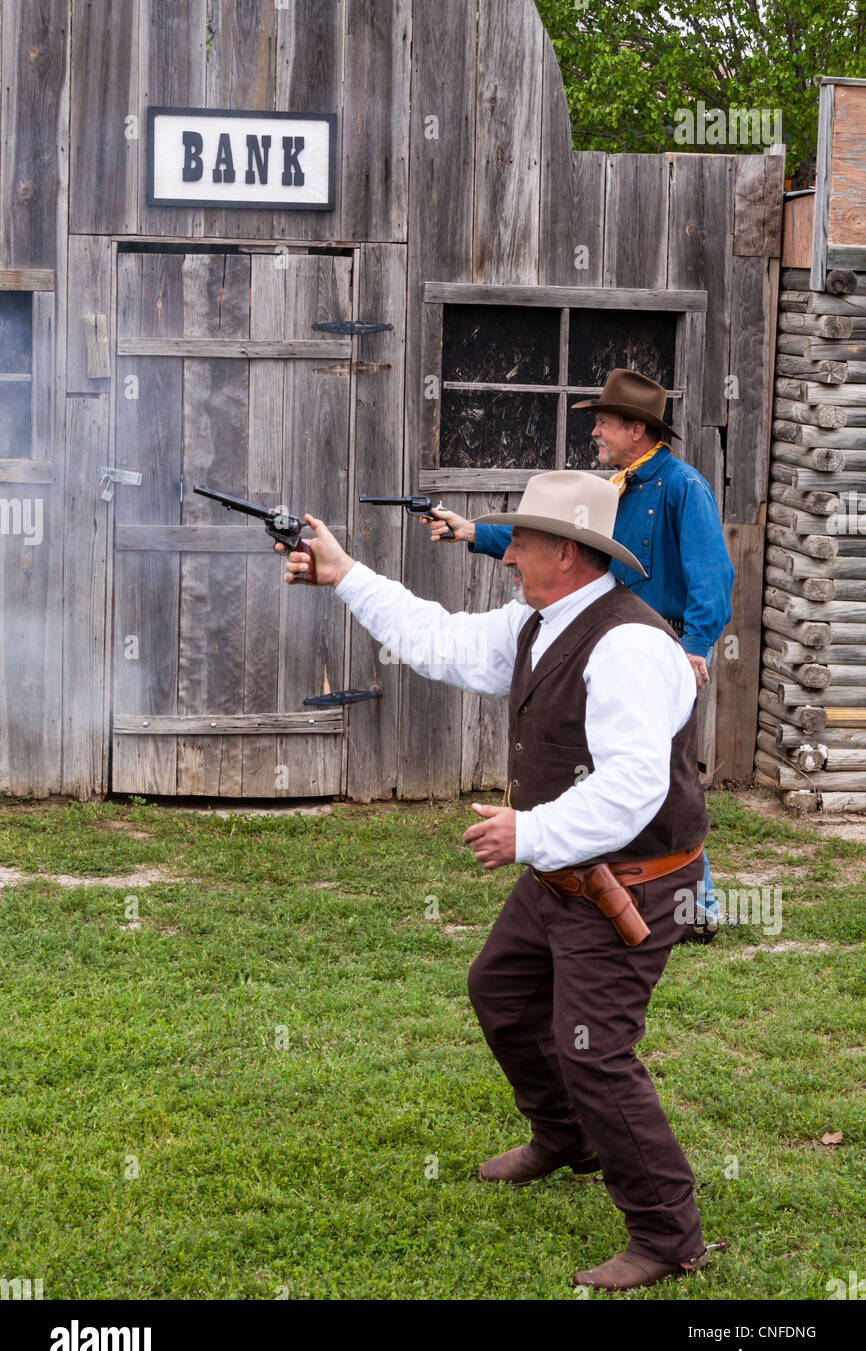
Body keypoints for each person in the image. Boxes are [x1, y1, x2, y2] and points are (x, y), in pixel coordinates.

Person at [275, 470, 719, 1292]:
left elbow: (632, 789)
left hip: (630, 883)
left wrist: (530, 831)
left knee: (596, 1053)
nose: (506, 552)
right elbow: (440, 640)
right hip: (564, 873)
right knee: (502, 994)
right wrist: (345, 574)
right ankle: (565, 1140)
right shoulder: (542, 622)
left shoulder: (627, 645)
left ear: (569, 552)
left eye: (520, 539)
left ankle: (668, 1237)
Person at [423, 369, 735, 937]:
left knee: (666, 772)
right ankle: (601, 881)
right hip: (602, 647)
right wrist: (473, 532)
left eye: (604, 421)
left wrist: (693, 648)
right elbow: (557, 543)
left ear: (637, 429)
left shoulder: (684, 487)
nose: (595, 430)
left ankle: (698, 903)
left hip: (658, 650)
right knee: (610, 775)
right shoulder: (614, 488)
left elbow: (712, 577)